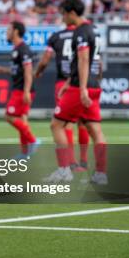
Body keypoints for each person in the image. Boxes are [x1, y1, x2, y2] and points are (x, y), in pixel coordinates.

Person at [45, 0, 107, 185]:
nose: (62, 18)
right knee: (96, 131)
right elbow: (97, 62)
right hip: (93, 85)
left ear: (72, 13)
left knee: (56, 125)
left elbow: (83, 60)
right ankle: (101, 174)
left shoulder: (80, 32)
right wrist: (75, 82)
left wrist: (81, 88)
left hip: (82, 87)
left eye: (63, 13)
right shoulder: (94, 29)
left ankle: (64, 170)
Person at [35, 24, 90, 171]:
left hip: (63, 83)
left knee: (65, 123)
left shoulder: (56, 36)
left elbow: (46, 58)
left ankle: (71, 162)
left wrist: (39, 71)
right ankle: (83, 161)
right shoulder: (84, 34)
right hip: (82, 81)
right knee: (83, 122)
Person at [0, 21, 39, 158]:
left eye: (9, 29)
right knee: (21, 119)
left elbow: (28, 72)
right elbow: (17, 71)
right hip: (20, 88)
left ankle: (33, 141)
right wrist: (1, 70)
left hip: (21, 90)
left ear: (16, 31)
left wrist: (26, 91)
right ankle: (25, 153)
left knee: (9, 116)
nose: (7, 32)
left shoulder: (23, 50)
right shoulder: (16, 49)